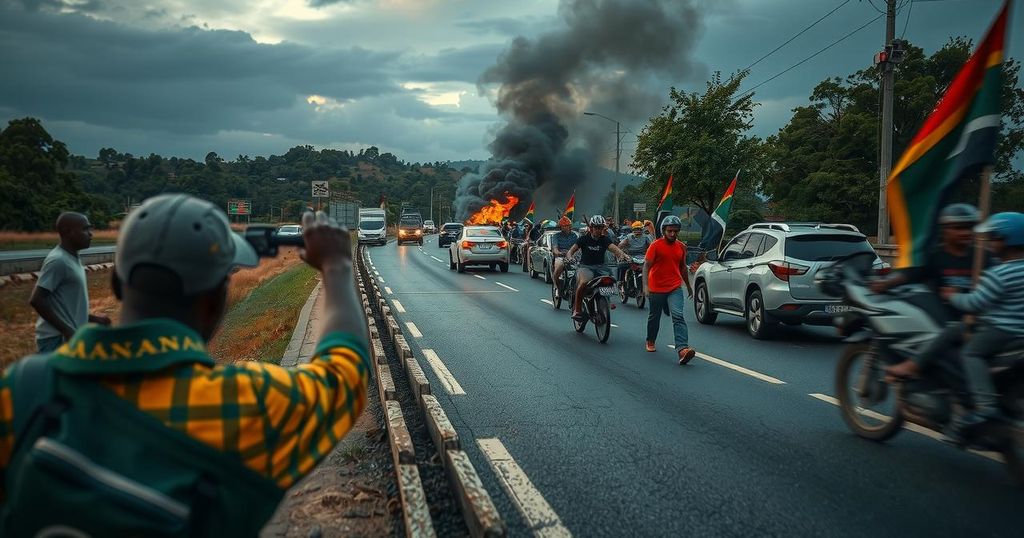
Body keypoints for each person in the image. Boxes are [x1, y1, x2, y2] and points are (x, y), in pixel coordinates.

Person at [0, 194, 370, 534]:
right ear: (214, 301)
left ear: (116, 284)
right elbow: (346, 373)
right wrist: (337, 265)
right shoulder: (246, 405)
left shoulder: (23, 387)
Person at [933, 212, 1024, 439]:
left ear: (1005, 240)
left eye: (993, 238)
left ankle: (985, 406)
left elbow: (974, 303)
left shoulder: (999, 274)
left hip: (1002, 330)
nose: (990, 244)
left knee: (970, 354)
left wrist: (952, 296)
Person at [882, 203, 992, 379]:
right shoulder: (935, 256)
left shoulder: (983, 257)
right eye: (959, 228)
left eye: (969, 227)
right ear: (945, 230)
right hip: (939, 321)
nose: (965, 233)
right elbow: (910, 275)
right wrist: (883, 284)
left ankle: (913, 367)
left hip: (976, 321)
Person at [29, 212, 111, 353]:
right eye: (85, 229)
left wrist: (95, 319)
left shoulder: (72, 258)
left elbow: (67, 309)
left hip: (67, 337)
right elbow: (37, 300)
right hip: (56, 339)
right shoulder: (58, 260)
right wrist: (67, 331)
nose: (90, 234)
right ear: (68, 232)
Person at [643, 215, 696, 364]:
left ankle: (682, 349)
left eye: (675, 231)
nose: (673, 234)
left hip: (674, 287)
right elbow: (646, 266)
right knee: (655, 316)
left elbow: (682, 268)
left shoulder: (681, 247)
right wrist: (645, 286)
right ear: (664, 231)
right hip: (656, 288)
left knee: (678, 316)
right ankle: (650, 340)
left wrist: (689, 286)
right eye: (670, 231)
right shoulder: (655, 245)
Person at [565, 215, 628, 320]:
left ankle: (606, 301)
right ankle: (577, 309)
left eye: (600, 227)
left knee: (610, 280)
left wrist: (623, 255)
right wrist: (570, 257)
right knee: (584, 282)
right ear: (591, 228)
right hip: (585, 267)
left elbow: (615, 249)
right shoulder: (583, 239)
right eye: (596, 227)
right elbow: (571, 251)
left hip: (601, 268)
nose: (598, 230)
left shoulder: (605, 239)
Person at [551, 216, 580, 296]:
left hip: (573, 256)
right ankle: (557, 286)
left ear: (570, 226)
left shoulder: (575, 236)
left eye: (566, 226)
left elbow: (579, 247)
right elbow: (555, 248)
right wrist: (558, 252)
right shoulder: (556, 236)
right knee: (559, 266)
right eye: (562, 226)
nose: (564, 227)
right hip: (561, 256)